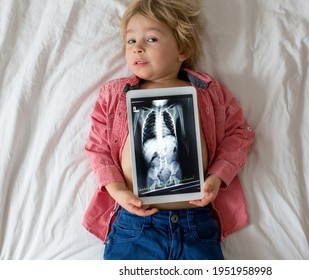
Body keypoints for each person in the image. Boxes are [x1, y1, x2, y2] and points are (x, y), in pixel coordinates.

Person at [83, 0, 255, 260]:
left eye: (151, 39)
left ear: (182, 49)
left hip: (195, 224)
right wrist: (117, 190)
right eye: (131, 41)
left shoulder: (209, 93)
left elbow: (239, 135)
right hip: (136, 226)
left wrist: (217, 178)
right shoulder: (115, 96)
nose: (138, 48)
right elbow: (98, 148)